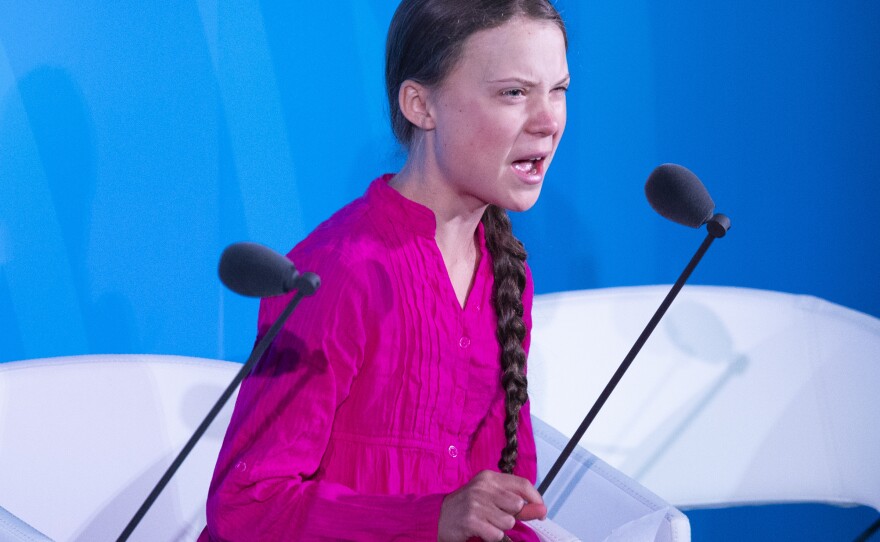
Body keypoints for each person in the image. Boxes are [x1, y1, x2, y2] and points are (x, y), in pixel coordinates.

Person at [200, 0, 569, 540]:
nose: (548, 120)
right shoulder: (341, 270)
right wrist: (433, 518)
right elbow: (247, 504)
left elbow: (500, 500)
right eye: (514, 92)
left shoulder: (506, 273)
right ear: (421, 105)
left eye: (558, 89)